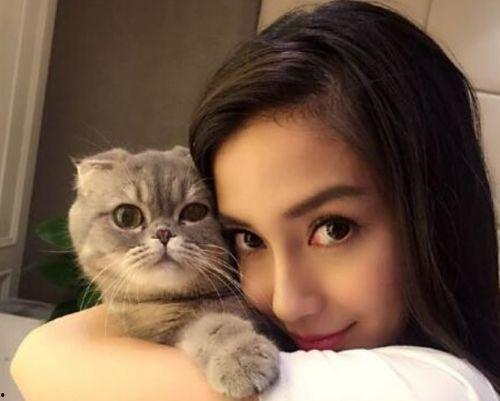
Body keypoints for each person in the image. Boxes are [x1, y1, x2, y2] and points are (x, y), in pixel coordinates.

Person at [11, 1, 499, 400]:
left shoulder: (439, 388)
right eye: (248, 238)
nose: (287, 302)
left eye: (333, 228)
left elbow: (42, 357)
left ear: (436, 207)